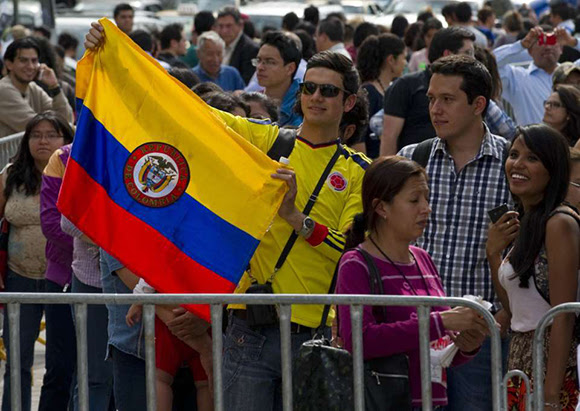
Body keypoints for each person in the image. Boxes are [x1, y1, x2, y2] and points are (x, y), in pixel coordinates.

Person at [85, 18, 371, 409]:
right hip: (245, 328)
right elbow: (189, 112)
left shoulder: (358, 171)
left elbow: (348, 253)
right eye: (310, 88)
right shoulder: (266, 140)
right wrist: (118, 58)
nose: (316, 97)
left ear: (348, 102)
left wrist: (294, 217)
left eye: (329, 91)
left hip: (312, 331)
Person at [398, 55, 512, 411]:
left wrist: (500, 321)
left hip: (480, 336)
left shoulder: (514, 166)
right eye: (431, 99)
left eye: (447, 99)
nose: (436, 109)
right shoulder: (411, 160)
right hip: (415, 330)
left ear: (479, 104)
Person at [337, 156, 487, 408]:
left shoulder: (423, 258)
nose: (426, 208)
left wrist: (465, 346)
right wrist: (442, 321)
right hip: (385, 402)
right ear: (381, 208)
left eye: (427, 198)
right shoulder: (356, 264)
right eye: (414, 200)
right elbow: (359, 340)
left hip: (434, 402)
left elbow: (437, 346)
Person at [486, 124, 580, 410]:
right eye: (514, 154)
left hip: (554, 366)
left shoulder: (559, 223)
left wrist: (551, 396)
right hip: (520, 361)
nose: (518, 164)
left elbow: (563, 315)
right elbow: (518, 310)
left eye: (532, 158)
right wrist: (493, 254)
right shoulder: (527, 222)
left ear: (554, 169)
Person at [0, 112, 73, 411]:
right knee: (16, 359)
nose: (43, 141)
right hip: (19, 279)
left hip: (64, 280)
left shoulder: (75, 175)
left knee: (61, 359)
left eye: (51, 134)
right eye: (36, 135)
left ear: (66, 140)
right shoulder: (10, 175)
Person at [380, 27, 475, 156]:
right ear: (448, 54)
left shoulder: (470, 87)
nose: (473, 59)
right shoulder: (406, 86)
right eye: (468, 53)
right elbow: (389, 137)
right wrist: (388, 173)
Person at [493, 26, 580, 126]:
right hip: (533, 139)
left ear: (561, 48)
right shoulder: (516, 77)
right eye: (541, 42)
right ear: (529, 50)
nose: (547, 47)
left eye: (552, 41)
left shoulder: (573, 74)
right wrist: (521, 45)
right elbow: (489, 62)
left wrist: (573, 42)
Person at [0, 38, 73, 138]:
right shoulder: (3, 90)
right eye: (23, 60)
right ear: (9, 64)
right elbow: (38, 128)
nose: (30, 66)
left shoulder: (33, 88)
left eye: (34, 61)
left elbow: (66, 119)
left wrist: (54, 86)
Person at [357, 33, 406, 158]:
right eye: (403, 58)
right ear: (391, 60)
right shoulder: (368, 93)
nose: (405, 63)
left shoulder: (389, 88)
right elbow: (358, 139)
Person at [253, 31, 302, 126]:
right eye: (259, 60)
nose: (260, 67)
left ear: (290, 68)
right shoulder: (254, 101)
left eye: (270, 62)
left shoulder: (303, 105)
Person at [216, 6, 259, 84]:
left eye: (229, 26)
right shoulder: (218, 45)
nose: (224, 31)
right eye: (221, 26)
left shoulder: (250, 49)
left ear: (240, 25)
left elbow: (247, 83)